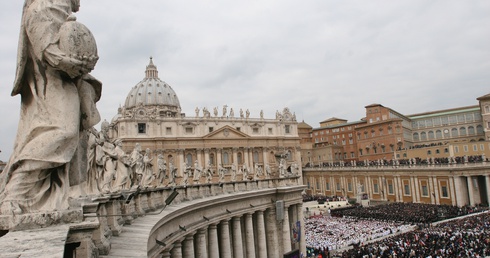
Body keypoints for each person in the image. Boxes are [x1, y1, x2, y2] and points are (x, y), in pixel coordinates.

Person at [0, 0, 101, 214]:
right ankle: (17, 191)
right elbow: (47, 50)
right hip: (50, 81)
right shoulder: (45, 6)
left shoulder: (57, 8)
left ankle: (49, 193)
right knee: (63, 131)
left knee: (69, 133)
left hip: (64, 80)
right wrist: (74, 64)